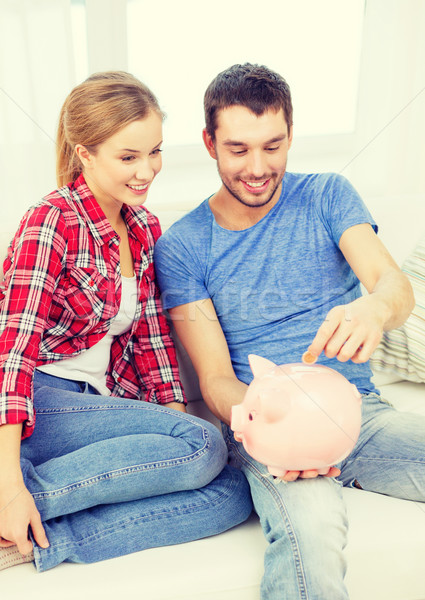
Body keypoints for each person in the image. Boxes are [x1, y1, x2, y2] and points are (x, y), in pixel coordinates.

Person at [154, 63, 425, 599]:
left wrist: (373, 310)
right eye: (238, 150)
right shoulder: (183, 246)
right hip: (269, 431)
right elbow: (214, 382)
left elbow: (393, 285)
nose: (257, 167)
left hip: (361, 418)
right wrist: (282, 434)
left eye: (273, 146)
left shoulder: (328, 195)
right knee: (314, 532)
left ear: (292, 135)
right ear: (209, 143)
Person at [0, 71, 252, 573]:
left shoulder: (143, 228)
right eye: (128, 157)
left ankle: (42, 539)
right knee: (204, 443)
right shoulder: (52, 221)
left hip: (94, 407)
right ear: (85, 153)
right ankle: (18, 503)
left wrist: (173, 422)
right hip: (39, 401)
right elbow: (13, 353)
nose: (146, 171)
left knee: (232, 487)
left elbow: (153, 343)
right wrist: (7, 482)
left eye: (154, 151)